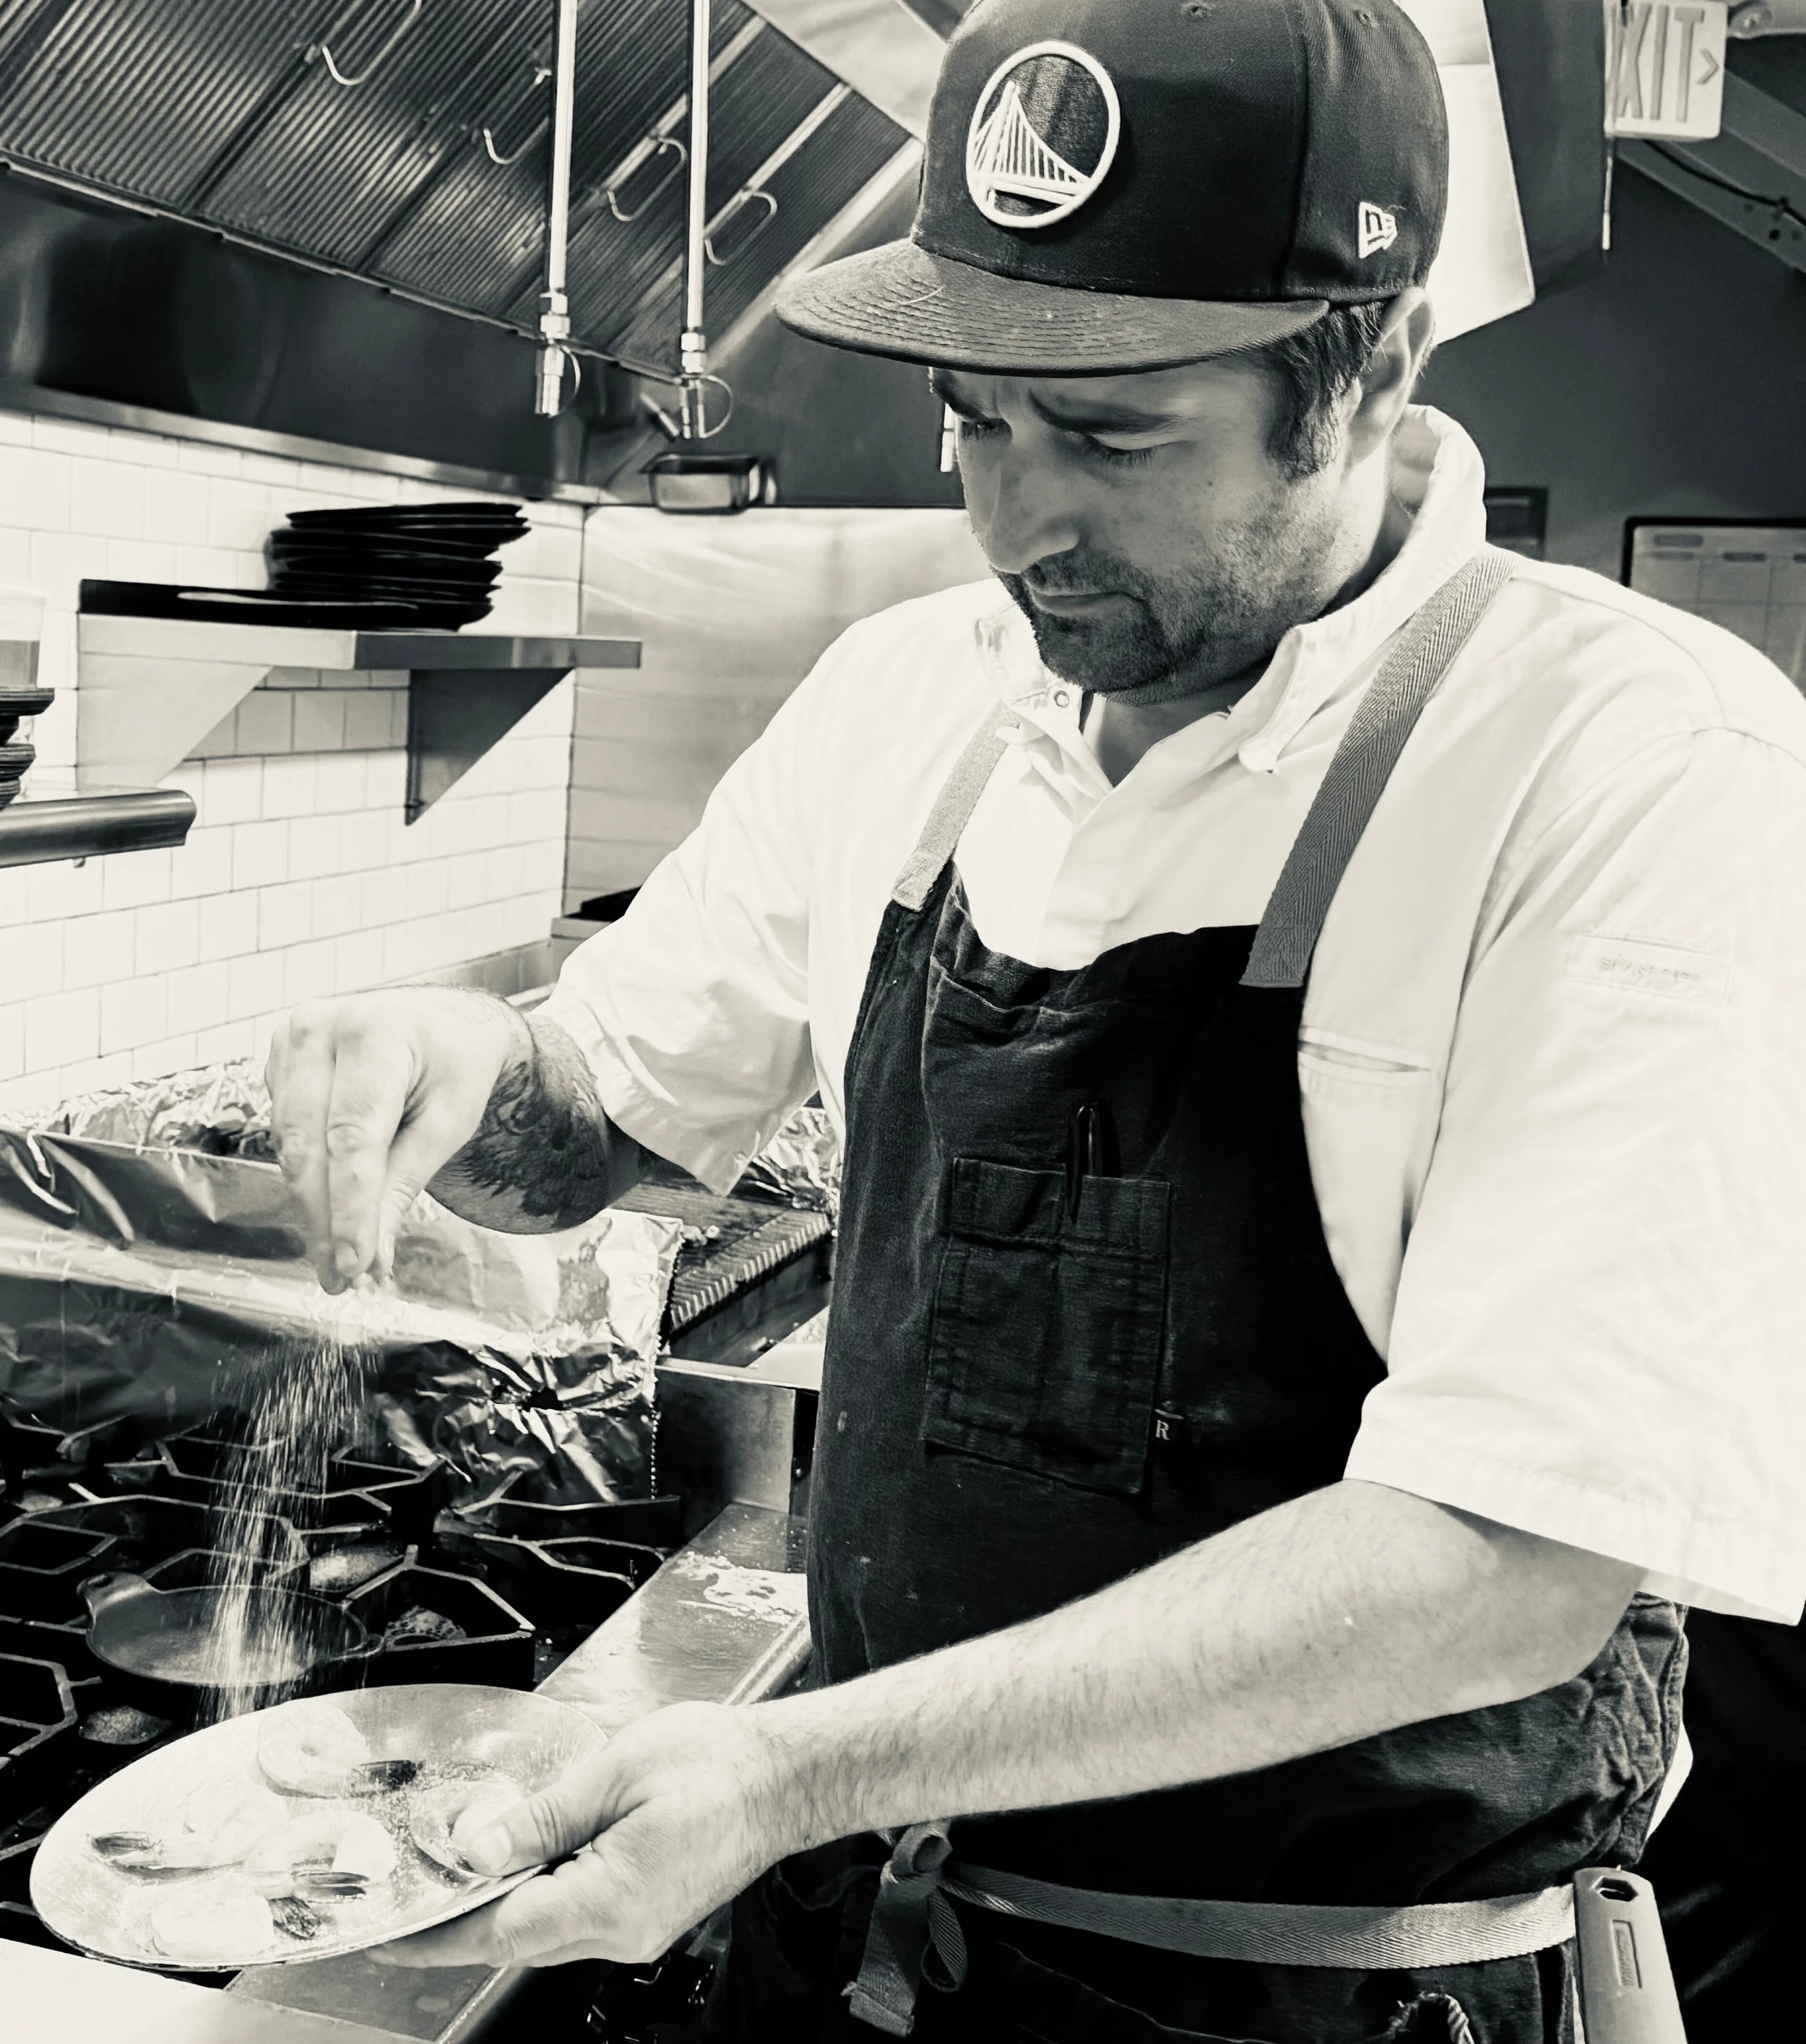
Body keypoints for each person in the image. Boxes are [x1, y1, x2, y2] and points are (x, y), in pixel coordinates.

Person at [266, 1, 1806, 2037]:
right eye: (972, 422)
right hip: (883, 1950)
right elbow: (599, 1116)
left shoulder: (1622, 761)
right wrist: (448, 1056)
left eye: (1114, 438)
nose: (1014, 524)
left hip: (1316, 1998)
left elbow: (1512, 1554)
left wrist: (795, 1763)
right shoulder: (911, 703)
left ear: (1367, 374)